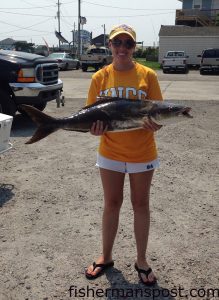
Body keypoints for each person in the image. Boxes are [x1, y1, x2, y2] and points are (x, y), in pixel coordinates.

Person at [85, 24, 163, 285]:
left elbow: (158, 111)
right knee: (111, 204)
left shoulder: (148, 75)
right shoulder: (100, 77)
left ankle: (141, 260)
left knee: (140, 205)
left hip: (143, 152)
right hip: (110, 152)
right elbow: (90, 115)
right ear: (109, 46)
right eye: (117, 43)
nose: (122, 48)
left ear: (134, 48)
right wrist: (94, 130)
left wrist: (156, 124)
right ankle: (105, 256)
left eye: (128, 44)